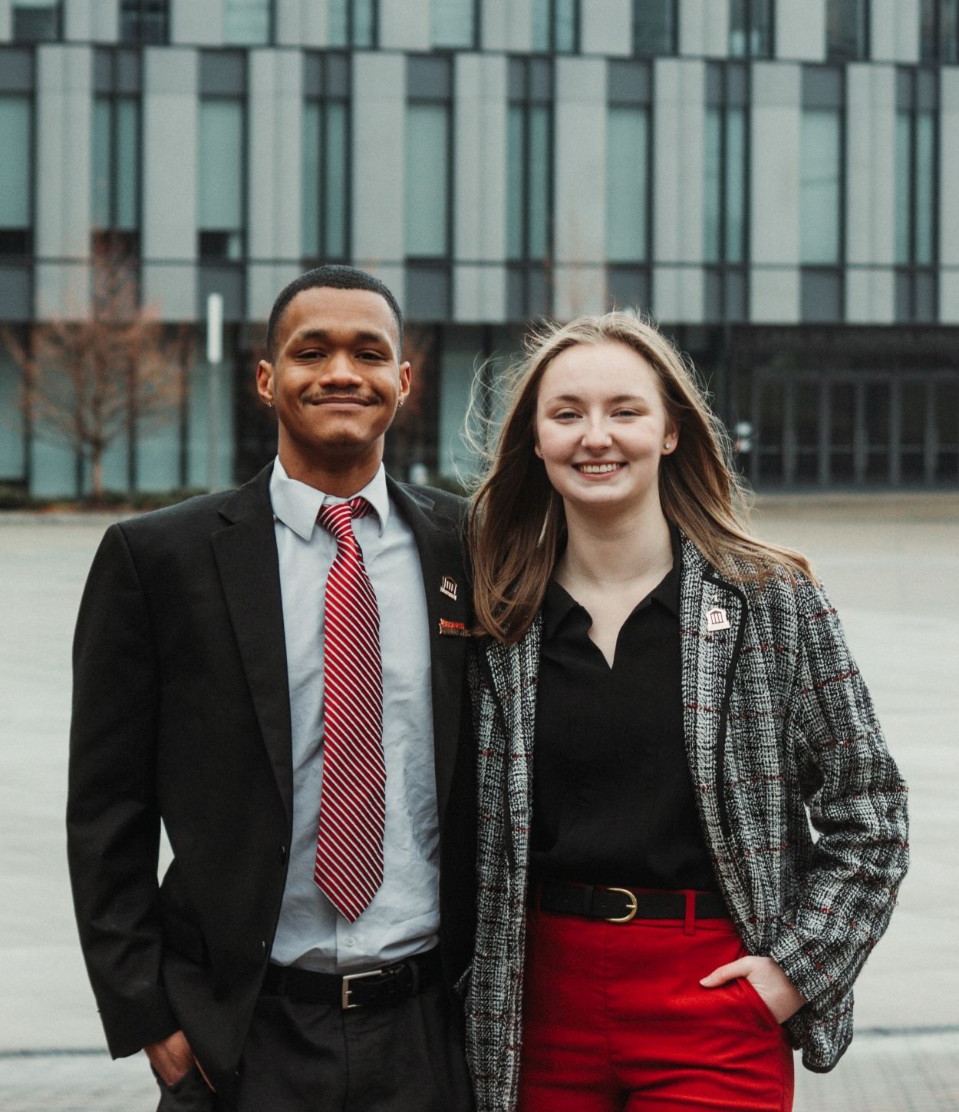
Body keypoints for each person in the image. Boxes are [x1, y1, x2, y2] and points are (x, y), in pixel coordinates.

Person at [464, 311, 908, 1112]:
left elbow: (868, 809)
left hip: (712, 995)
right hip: (537, 1002)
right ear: (535, 440)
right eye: (566, 414)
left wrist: (791, 976)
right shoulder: (497, 616)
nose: (594, 436)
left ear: (670, 431)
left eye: (624, 411)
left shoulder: (770, 600)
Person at [67, 265, 476, 1111]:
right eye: (309, 351)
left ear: (403, 381)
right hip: (241, 1038)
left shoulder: (469, 548)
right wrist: (152, 1018)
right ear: (265, 379)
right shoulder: (158, 561)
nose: (339, 372)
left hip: (430, 1035)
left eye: (368, 352)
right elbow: (106, 812)